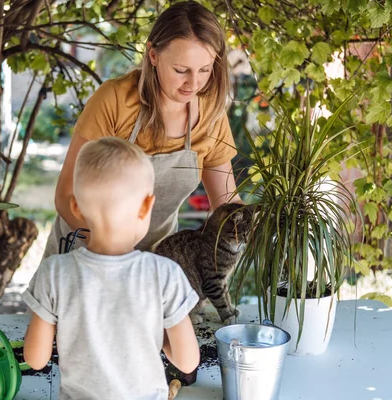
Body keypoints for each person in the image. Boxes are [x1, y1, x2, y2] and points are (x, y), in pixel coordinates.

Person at [44, 0, 241, 256]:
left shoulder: (211, 114)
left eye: (205, 69)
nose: (193, 83)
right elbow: (66, 196)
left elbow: (227, 207)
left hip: (156, 260)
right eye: (181, 70)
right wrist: (114, 255)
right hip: (87, 255)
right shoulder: (115, 100)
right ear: (153, 55)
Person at [22, 137, 200, 399]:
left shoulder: (54, 273)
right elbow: (187, 362)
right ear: (146, 206)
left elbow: (36, 359)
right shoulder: (165, 274)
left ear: (76, 208)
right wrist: (156, 338)